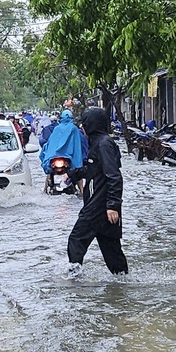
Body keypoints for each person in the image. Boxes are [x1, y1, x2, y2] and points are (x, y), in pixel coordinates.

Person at [66, 107, 127, 275]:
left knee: (77, 239)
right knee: (110, 248)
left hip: (99, 206)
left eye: (84, 123)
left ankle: (74, 278)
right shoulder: (99, 143)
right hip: (102, 204)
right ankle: (122, 285)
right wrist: (74, 173)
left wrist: (113, 205)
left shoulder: (104, 144)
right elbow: (95, 170)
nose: (81, 127)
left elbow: (114, 176)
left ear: (91, 124)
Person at [39, 108, 88, 175]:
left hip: (55, 156)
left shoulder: (57, 128)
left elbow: (50, 143)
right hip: (69, 158)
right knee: (78, 176)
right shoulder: (74, 128)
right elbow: (78, 146)